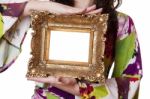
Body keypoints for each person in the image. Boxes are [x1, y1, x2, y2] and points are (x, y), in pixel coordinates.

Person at [0, 0, 142, 99]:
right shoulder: (43, 13)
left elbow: (130, 81)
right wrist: (30, 7)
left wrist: (81, 89)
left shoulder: (121, 23)